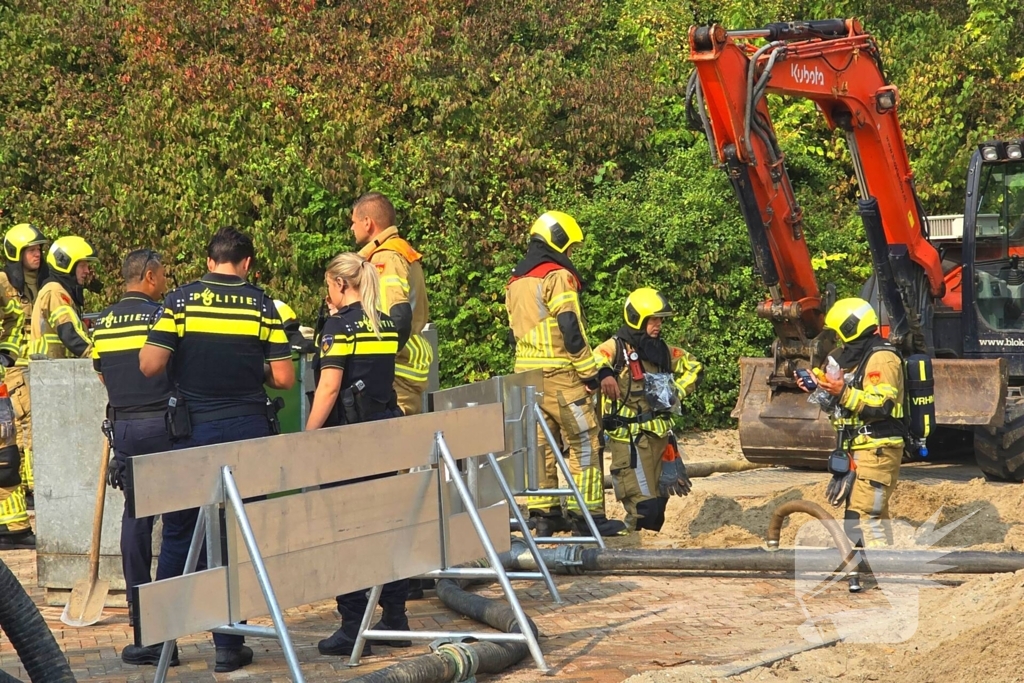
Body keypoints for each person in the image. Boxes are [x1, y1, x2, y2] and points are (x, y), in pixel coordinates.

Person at [139, 226, 295, 672]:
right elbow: (284, 378)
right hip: (248, 432)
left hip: (194, 434)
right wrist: (251, 368)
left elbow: (150, 364)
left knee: (179, 532)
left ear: (209, 262)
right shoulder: (264, 305)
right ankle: (228, 646)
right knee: (235, 536)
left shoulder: (180, 303)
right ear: (246, 264)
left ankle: (161, 638)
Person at [305, 253, 408, 658]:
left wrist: (307, 437)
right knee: (386, 525)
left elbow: (329, 388)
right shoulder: (384, 324)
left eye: (329, 286)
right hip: (383, 432)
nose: (327, 293)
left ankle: (352, 625)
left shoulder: (338, 326)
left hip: (347, 440)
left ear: (340, 284)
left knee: (343, 532)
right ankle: (394, 616)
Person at [505, 211, 626, 537]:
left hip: (526, 377)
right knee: (585, 439)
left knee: (540, 444)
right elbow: (569, 325)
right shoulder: (556, 275)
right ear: (558, 241)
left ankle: (545, 515)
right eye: (570, 247)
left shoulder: (516, 280)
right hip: (561, 372)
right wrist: (590, 372)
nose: (570, 254)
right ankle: (587, 519)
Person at [92, 250, 178, 667]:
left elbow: (104, 374)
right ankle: (170, 623)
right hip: (164, 425)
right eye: (161, 276)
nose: (164, 282)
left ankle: (143, 624)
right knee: (180, 523)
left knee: (136, 521)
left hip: (125, 428)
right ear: (148, 276)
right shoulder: (162, 316)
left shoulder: (102, 323)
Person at [796, 297, 905, 593]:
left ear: (850, 328)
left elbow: (880, 405)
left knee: (866, 514)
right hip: (858, 447)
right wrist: (817, 388)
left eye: (839, 333)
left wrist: (843, 391)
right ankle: (863, 569)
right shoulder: (854, 357)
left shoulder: (882, 358)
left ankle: (883, 572)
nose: (837, 340)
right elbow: (841, 405)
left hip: (878, 447)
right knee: (857, 513)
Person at [594, 288, 703, 533]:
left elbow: (694, 366)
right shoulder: (617, 347)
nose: (658, 325)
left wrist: (677, 391)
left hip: (661, 440)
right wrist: (605, 375)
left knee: (657, 515)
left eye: (660, 319)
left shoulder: (662, 351)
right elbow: (596, 359)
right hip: (630, 444)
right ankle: (630, 541)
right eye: (653, 319)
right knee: (645, 508)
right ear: (637, 319)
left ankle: (638, 548)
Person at [353, 193, 432, 416]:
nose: (352, 228)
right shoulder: (401, 251)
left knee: (397, 442)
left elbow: (396, 318)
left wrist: (377, 365)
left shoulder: (384, 258)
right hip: (405, 367)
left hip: (395, 371)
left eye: (354, 221)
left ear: (367, 222)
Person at [0, 223, 47, 549]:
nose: (38, 254)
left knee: (23, 445)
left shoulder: (43, 284)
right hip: (13, 375)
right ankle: (14, 525)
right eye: (31, 249)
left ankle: (16, 525)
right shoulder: (3, 283)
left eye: (40, 249)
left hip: (39, 369)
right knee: (14, 447)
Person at [30, 236, 97, 359]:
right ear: (65, 264)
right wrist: (97, 356)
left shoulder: (60, 291)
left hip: (55, 369)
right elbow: (69, 333)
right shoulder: (55, 291)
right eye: (82, 265)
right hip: (50, 370)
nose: (87, 271)